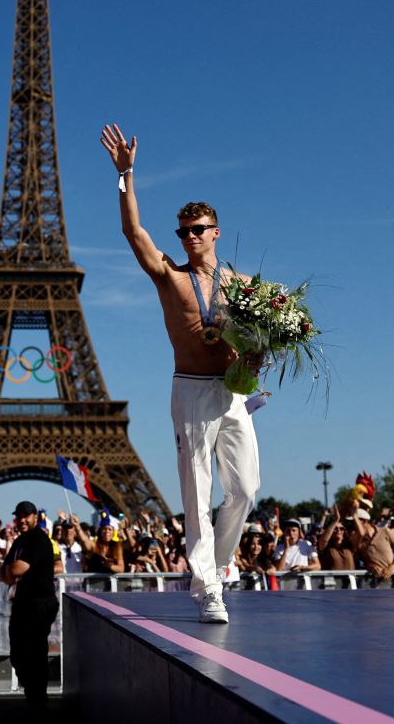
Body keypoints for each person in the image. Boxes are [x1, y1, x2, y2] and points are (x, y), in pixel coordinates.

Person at [100, 123, 261, 624]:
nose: (190, 238)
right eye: (183, 232)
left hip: (232, 393)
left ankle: (218, 562)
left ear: (215, 232)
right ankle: (207, 587)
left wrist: (257, 358)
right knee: (197, 489)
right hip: (191, 389)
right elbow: (133, 232)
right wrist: (126, 176)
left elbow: (261, 341)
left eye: (198, 230)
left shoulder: (244, 286)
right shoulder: (170, 277)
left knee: (246, 490)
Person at [0, 500, 58, 714]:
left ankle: (38, 699)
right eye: (19, 516)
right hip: (23, 602)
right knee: (19, 653)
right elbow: (5, 571)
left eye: (26, 516)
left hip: (40, 603)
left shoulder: (38, 539)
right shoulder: (20, 541)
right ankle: (34, 694)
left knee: (33, 652)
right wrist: (10, 572)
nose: (22, 520)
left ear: (35, 516)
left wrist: (10, 572)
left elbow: (15, 569)